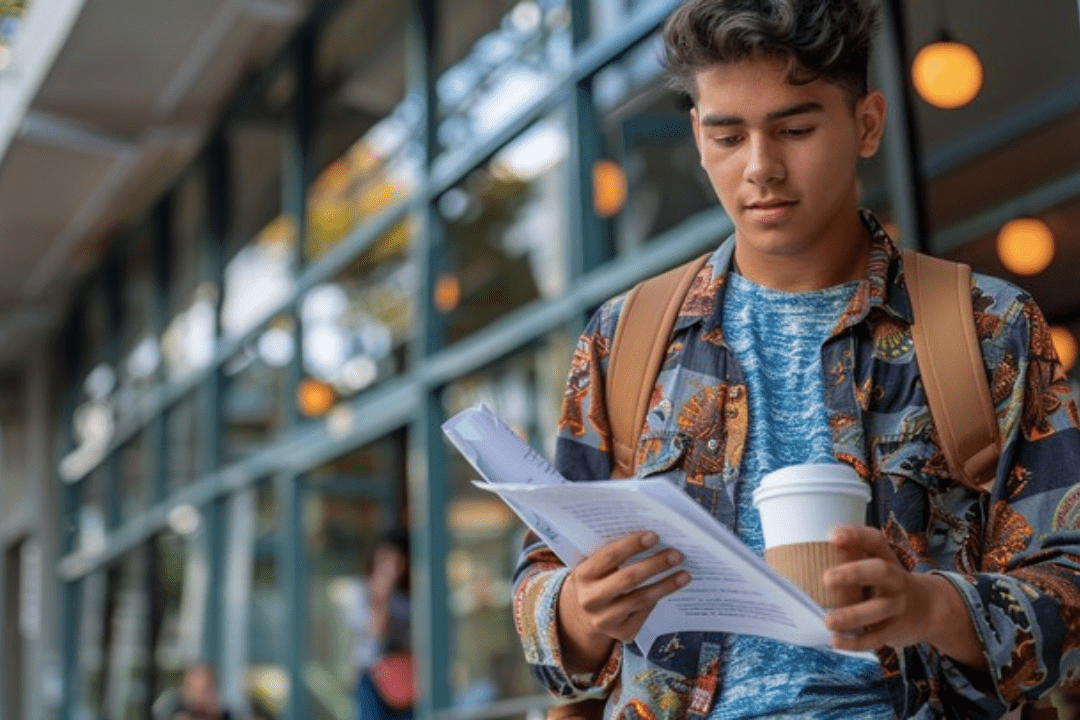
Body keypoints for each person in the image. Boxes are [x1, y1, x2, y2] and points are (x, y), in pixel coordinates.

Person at [511, 0, 1080, 718]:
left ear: (867, 124)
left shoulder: (986, 327)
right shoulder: (624, 338)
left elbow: (1070, 578)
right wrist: (580, 612)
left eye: (796, 128)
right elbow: (542, 576)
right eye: (726, 136)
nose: (760, 168)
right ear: (697, 136)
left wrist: (932, 608)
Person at [353, 527, 414, 720]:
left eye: (396, 561)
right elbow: (374, 633)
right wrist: (380, 598)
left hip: (404, 680)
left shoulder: (407, 599)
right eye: (384, 559)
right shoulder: (361, 593)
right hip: (371, 678)